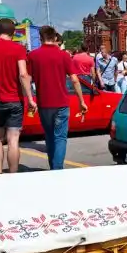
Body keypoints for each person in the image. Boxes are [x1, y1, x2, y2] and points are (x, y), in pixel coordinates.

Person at [0, 18, 35, 174]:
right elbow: (23, 74)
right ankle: (13, 174)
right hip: (15, 99)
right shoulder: (19, 49)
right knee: (13, 140)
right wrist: (30, 98)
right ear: (13, 32)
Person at [28, 26, 88, 170]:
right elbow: (74, 80)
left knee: (49, 136)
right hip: (61, 102)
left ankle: (53, 168)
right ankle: (57, 169)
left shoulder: (33, 55)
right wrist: (81, 101)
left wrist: (30, 98)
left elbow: (26, 78)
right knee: (60, 137)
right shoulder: (64, 56)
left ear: (40, 38)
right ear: (55, 38)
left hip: (44, 103)